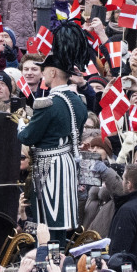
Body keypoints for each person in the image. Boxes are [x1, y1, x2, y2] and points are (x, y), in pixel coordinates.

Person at [18, 22, 91, 241]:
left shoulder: (47, 103)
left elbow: (28, 137)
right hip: (67, 163)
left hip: (49, 166)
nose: (41, 74)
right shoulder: (79, 101)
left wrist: (20, 126)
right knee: (60, 220)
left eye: (42, 70)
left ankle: (48, 262)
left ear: (52, 71)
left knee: (47, 221)